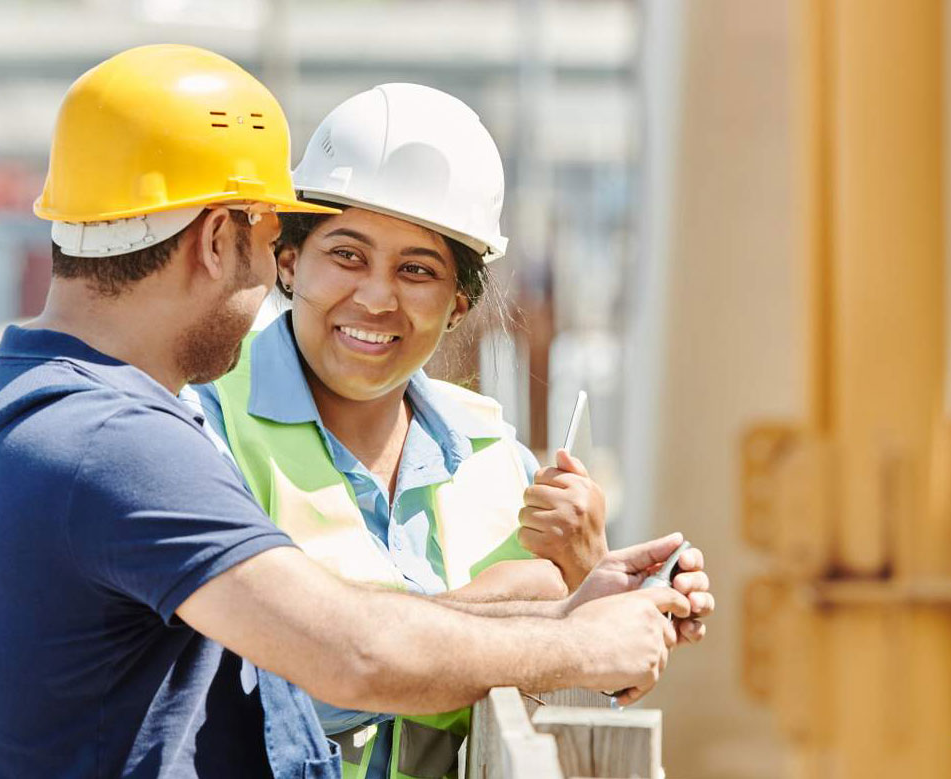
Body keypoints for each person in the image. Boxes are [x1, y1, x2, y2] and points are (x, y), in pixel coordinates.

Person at [0, 45, 713, 779]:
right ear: (219, 238)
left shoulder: (40, 402)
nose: (273, 277)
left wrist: (564, 598)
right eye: (273, 241)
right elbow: (347, 653)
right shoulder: (116, 443)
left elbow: (325, 634)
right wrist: (577, 641)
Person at [186, 82, 629, 779]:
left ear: (458, 302)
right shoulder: (204, 428)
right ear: (291, 262)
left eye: (416, 269)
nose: (377, 296)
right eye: (348, 255)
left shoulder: (502, 463)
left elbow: (570, 708)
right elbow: (258, 690)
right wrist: (505, 607)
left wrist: (587, 577)